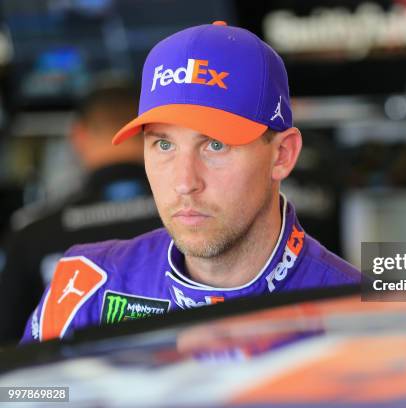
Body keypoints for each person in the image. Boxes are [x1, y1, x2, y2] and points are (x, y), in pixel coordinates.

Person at [21, 21, 360, 343]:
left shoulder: (365, 315)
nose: (184, 182)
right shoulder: (85, 285)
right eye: (164, 145)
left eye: (215, 145)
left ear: (282, 155)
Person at [0, 85, 162, 344]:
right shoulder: (190, 214)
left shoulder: (32, 232)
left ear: (78, 136)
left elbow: (7, 346)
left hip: (72, 380)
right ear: (151, 131)